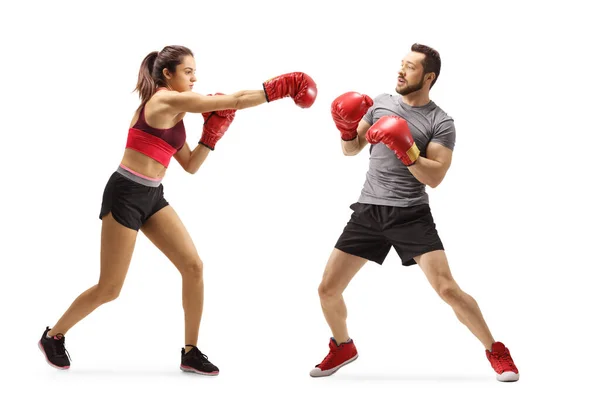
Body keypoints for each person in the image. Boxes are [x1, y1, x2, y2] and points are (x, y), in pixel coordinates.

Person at [38, 45, 317, 375]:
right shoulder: (163, 101)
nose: (195, 77)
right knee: (110, 288)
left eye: (195, 71)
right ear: (167, 74)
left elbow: (190, 165)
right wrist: (281, 88)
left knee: (193, 266)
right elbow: (236, 99)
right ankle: (53, 335)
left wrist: (212, 135)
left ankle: (190, 351)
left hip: (153, 196)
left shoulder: (176, 115)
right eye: (188, 72)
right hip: (125, 193)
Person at [310, 43, 519, 382]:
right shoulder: (379, 103)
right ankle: (343, 346)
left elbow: (435, 177)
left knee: (447, 289)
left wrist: (406, 148)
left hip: (410, 214)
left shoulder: (441, 121)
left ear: (429, 76)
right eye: (401, 64)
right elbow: (351, 150)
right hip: (368, 210)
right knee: (327, 289)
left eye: (410, 67)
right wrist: (346, 130)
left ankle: (496, 350)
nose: (401, 71)